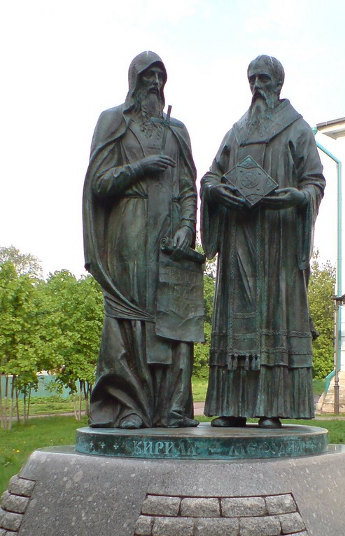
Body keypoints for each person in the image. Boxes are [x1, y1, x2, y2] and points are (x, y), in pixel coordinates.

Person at [200, 55, 325, 428]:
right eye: (252, 79)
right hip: (238, 239)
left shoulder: (296, 129)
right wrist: (216, 191)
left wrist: (297, 197)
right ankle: (232, 407)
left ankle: (272, 407)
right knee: (236, 323)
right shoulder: (236, 132)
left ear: (278, 84)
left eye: (264, 79)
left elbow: (314, 181)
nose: (257, 86)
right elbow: (211, 175)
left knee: (274, 319)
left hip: (278, 240)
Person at [83, 51, 203, 429]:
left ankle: (172, 408)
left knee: (174, 319)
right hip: (129, 232)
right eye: (148, 76)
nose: (155, 83)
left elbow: (188, 186)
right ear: (134, 80)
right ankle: (129, 406)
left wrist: (187, 226)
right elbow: (99, 184)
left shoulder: (176, 130)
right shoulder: (113, 121)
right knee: (128, 317)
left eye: (160, 76)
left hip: (169, 235)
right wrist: (140, 167)